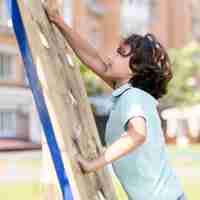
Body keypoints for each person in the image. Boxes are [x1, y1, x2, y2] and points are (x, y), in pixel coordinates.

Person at [46, 8, 187, 200]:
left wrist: (92, 164)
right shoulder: (129, 93)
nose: (112, 57)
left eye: (121, 54)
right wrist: (60, 22)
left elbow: (137, 134)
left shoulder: (133, 97)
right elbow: (94, 58)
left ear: (135, 68)